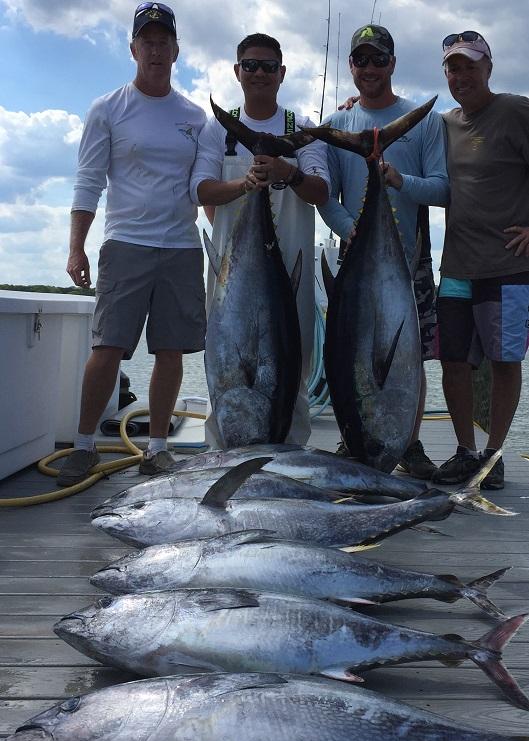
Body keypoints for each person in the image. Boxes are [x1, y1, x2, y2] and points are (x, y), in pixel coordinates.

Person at [57, 2, 207, 486]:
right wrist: (76, 247)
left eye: (164, 42)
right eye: (148, 42)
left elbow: (202, 187)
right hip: (126, 243)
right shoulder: (108, 108)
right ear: (133, 49)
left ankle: (157, 450)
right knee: (108, 347)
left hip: (183, 247)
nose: (156, 50)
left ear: (176, 50)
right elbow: (88, 181)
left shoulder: (195, 116)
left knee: (171, 350)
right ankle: (83, 447)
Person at [318, 24, 449, 479]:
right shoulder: (337, 126)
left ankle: (409, 443)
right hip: (356, 257)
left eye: (378, 59)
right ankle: (354, 433)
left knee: (409, 354)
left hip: (408, 259)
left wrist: (398, 180)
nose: (369, 67)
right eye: (361, 59)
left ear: (392, 63)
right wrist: (349, 231)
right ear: (350, 65)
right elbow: (325, 197)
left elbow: (443, 189)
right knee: (348, 350)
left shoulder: (425, 120)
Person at [189, 32, 330, 448]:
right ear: (238, 71)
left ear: (281, 73)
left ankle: (290, 452)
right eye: (250, 65)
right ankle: (223, 453)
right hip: (232, 272)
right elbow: (199, 189)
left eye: (268, 66)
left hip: (291, 268)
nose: (259, 73)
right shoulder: (218, 129)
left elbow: (321, 191)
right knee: (226, 357)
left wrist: (288, 172)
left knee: (293, 361)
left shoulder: (303, 130)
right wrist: (245, 183)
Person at [434, 31, 529, 490]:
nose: (462, 75)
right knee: (452, 360)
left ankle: (493, 454)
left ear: (488, 68)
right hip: (455, 266)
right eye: (453, 68)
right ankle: (464, 451)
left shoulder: (515, 111)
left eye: (471, 65)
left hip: (508, 266)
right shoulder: (443, 124)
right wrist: (358, 105)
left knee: (505, 361)